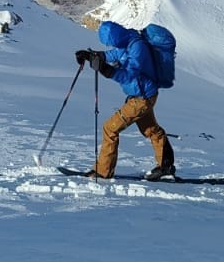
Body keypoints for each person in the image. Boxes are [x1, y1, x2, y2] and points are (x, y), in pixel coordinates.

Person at [75, 20, 175, 180]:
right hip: (142, 96)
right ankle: (166, 166)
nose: (109, 45)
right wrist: (90, 56)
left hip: (142, 98)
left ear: (115, 37)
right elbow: (112, 54)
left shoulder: (137, 48)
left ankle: (103, 171)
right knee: (151, 130)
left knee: (110, 128)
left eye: (109, 42)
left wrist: (107, 70)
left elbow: (130, 74)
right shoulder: (127, 39)